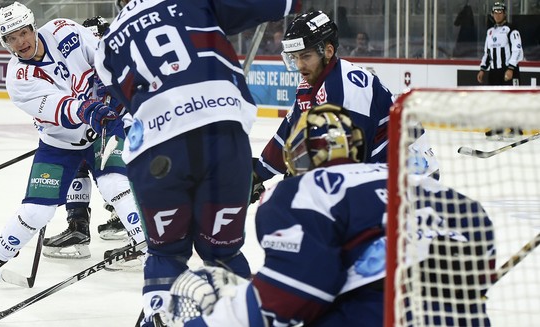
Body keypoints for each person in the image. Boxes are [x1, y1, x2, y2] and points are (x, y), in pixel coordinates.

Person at [166, 103, 497, 327]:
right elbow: (476, 228)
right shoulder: (409, 179)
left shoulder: (303, 190)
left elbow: (294, 294)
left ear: (298, 155)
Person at [94, 0, 302, 325]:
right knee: (223, 253)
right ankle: (240, 318)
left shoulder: (106, 45)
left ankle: (160, 314)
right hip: (222, 133)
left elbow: (126, 101)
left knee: (165, 253)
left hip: (156, 149)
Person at [0, 1, 145, 280]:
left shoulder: (64, 29)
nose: (20, 42)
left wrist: (115, 88)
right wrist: (89, 109)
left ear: (33, 28)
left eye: (23, 32)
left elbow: (104, 58)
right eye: (11, 38)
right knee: (36, 212)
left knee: (113, 183)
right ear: (5, 42)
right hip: (60, 143)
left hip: (103, 131)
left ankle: (146, 245)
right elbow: (61, 108)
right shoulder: (18, 79)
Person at [251, 11, 438, 203]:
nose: (299, 65)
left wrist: (305, 179)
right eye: (294, 57)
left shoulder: (348, 91)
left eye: (305, 56)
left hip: (411, 174)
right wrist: (258, 173)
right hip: (377, 169)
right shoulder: (310, 84)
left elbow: (352, 162)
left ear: (328, 51)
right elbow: (291, 131)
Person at [42, 15, 128, 261]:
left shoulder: (115, 55)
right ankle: (78, 226)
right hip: (93, 130)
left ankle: (138, 230)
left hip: (128, 126)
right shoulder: (79, 60)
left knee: (118, 174)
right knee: (76, 164)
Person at [477, 2, 524, 139]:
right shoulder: (490, 31)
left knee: (512, 99)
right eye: (495, 12)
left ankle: (516, 127)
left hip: (509, 70)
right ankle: (498, 126)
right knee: (495, 99)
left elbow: (517, 50)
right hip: (495, 71)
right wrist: (482, 69)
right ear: (492, 14)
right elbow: (487, 52)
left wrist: (510, 68)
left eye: (500, 12)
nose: (497, 14)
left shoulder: (512, 29)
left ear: (504, 13)